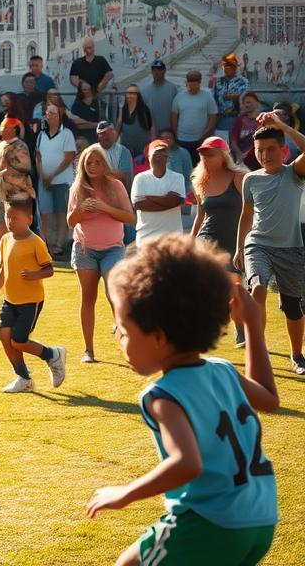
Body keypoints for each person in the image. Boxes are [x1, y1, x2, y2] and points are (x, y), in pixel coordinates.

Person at [87, 237, 278, 566]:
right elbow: (269, 397)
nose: (118, 338)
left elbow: (187, 463)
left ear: (159, 337)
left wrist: (125, 493)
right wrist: (253, 326)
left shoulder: (163, 397)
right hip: (260, 520)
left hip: (211, 523)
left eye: (124, 330)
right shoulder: (222, 371)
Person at [234, 112, 305, 374]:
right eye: (259, 151)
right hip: (258, 245)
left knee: (292, 308)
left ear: (284, 150)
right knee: (258, 287)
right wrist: (239, 248)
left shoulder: (294, 173)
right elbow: (246, 216)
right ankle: (257, 349)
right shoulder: (250, 179)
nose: (264, 155)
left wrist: (280, 125)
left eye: (271, 149)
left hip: (291, 249)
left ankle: (297, 355)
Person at [0, 196, 66, 393]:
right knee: (4, 335)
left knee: (18, 341)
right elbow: (3, 270)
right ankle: (23, 378)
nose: (10, 221)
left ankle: (52, 354)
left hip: (30, 301)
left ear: (29, 219)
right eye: (7, 217)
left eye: (15, 218)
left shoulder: (36, 242)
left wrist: (34, 275)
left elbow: (49, 270)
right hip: (9, 300)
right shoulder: (5, 240)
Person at [68, 144, 136, 363]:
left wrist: (104, 207)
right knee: (88, 298)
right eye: (89, 162)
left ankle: (127, 348)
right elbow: (70, 221)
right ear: (83, 165)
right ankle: (88, 350)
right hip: (84, 249)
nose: (93, 166)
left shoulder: (115, 186)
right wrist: (81, 211)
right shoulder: (77, 187)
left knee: (115, 295)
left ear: (104, 164)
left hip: (113, 248)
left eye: (97, 162)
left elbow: (129, 217)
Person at [191, 136, 249, 343]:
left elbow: (252, 210)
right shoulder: (200, 181)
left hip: (235, 240)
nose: (206, 158)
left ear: (223, 156)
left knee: (235, 290)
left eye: (211, 154)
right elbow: (200, 215)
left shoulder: (239, 177)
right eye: (203, 155)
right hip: (208, 239)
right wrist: (190, 241)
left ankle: (240, 328)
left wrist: (247, 241)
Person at [36, 104, 77, 258]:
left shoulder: (67, 134)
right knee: (45, 213)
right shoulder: (41, 135)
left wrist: (52, 175)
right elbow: (38, 157)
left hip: (62, 181)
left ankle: (59, 245)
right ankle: (44, 244)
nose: (50, 116)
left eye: (53, 113)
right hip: (44, 181)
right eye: (47, 114)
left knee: (61, 213)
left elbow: (68, 158)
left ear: (60, 116)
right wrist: (42, 175)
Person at [131, 140, 187, 246]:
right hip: (146, 240)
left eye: (163, 152)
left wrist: (150, 198)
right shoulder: (140, 178)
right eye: (156, 152)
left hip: (173, 240)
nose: (160, 154)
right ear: (148, 156)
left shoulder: (178, 177)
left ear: (167, 157)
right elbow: (138, 205)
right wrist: (166, 200)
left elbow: (175, 202)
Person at [0, 117, 33, 251]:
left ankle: (18, 256)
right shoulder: (2, 145)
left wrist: (5, 172)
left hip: (16, 195)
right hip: (0, 193)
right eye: (2, 128)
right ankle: (2, 258)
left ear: (15, 130)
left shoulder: (21, 146)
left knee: (16, 227)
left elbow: (25, 167)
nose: (3, 131)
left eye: (7, 128)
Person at [173, 70, 218, 163]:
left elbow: (213, 117)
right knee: (184, 164)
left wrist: (204, 134)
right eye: (190, 83)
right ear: (187, 83)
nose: (192, 86)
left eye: (194, 83)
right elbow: (174, 117)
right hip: (182, 140)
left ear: (199, 83)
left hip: (200, 140)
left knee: (200, 166)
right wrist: (176, 134)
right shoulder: (179, 97)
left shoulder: (207, 96)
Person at [212, 53, 249, 140]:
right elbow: (214, 99)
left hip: (237, 119)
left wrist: (237, 97)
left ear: (234, 68)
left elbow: (246, 99)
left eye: (229, 66)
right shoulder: (218, 81)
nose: (226, 68)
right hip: (220, 120)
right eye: (224, 66)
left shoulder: (243, 81)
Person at [118, 86, 156, 161]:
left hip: (142, 150)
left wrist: (151, 148)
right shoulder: (123, 110)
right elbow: (117, 129)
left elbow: (152, 129)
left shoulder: (145, 110)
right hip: (126, 149)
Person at [232, 92, 265, 170]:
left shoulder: (264, 120)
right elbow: (233, 141)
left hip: (260, 161)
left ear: (257, 103)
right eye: (244, 103)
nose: (246, 105)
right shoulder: (240, 121)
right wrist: (239, 154)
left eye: (249, 102)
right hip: (244, 161)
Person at [70, 80, 101, 145]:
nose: (87, 92)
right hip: (81, 138)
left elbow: (101, 122)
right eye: (84, 90)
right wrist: (95, 125)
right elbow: (77, 125)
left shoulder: (96, 102)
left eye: (89, 89)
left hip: (95, 137)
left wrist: (86, 123)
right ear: (80, 90)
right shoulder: (77, 104)